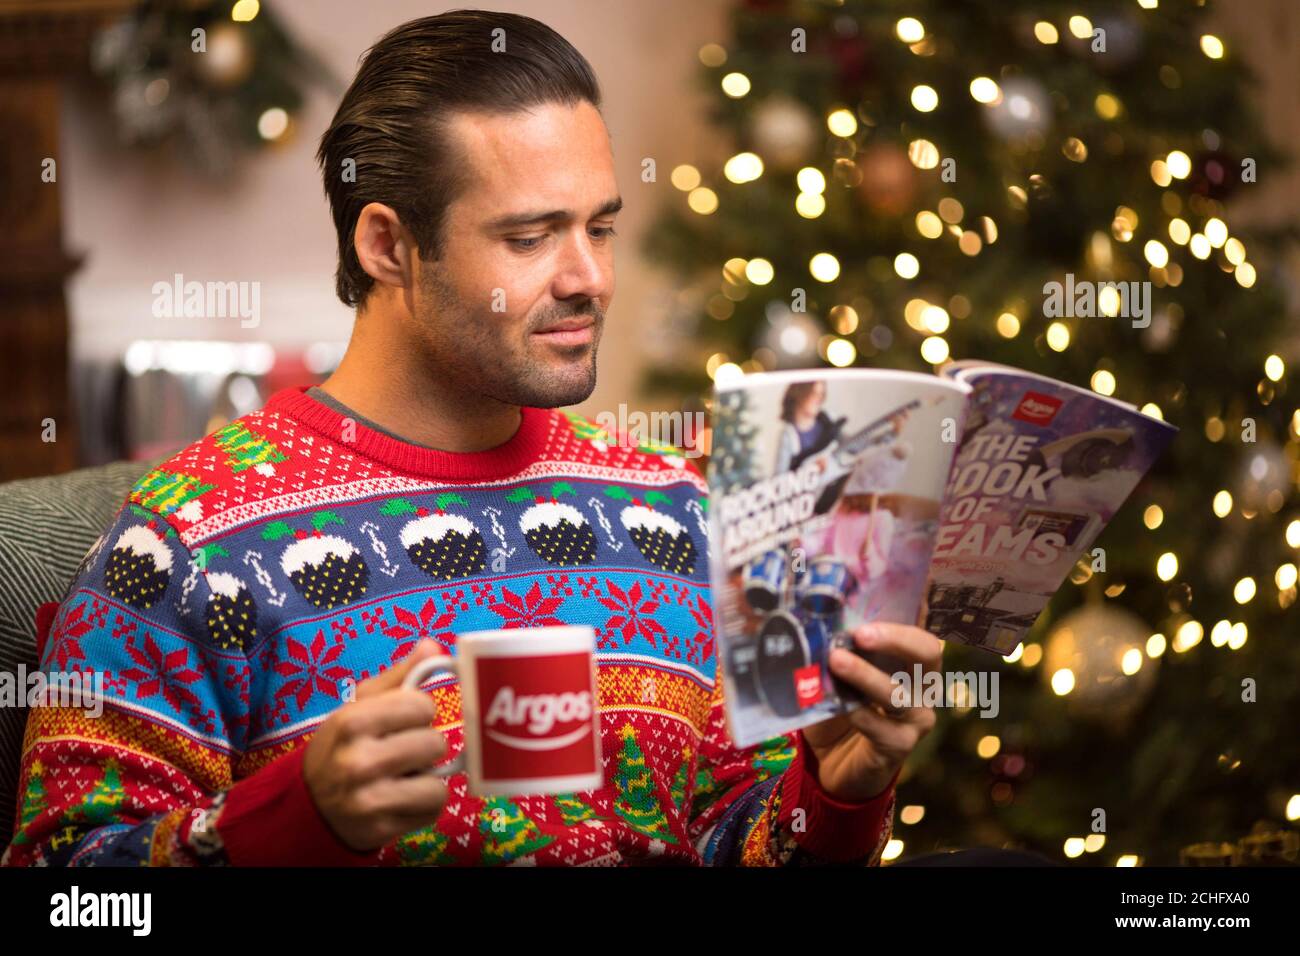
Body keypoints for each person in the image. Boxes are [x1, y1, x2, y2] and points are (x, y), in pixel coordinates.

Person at [3, 10, 943, 867]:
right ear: (387, 246)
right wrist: (298, 817)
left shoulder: (676, 507)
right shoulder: (188, 539)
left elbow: (744, 842)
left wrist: (835, 792)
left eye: (601, 227)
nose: (590, 279)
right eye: (531, 237)